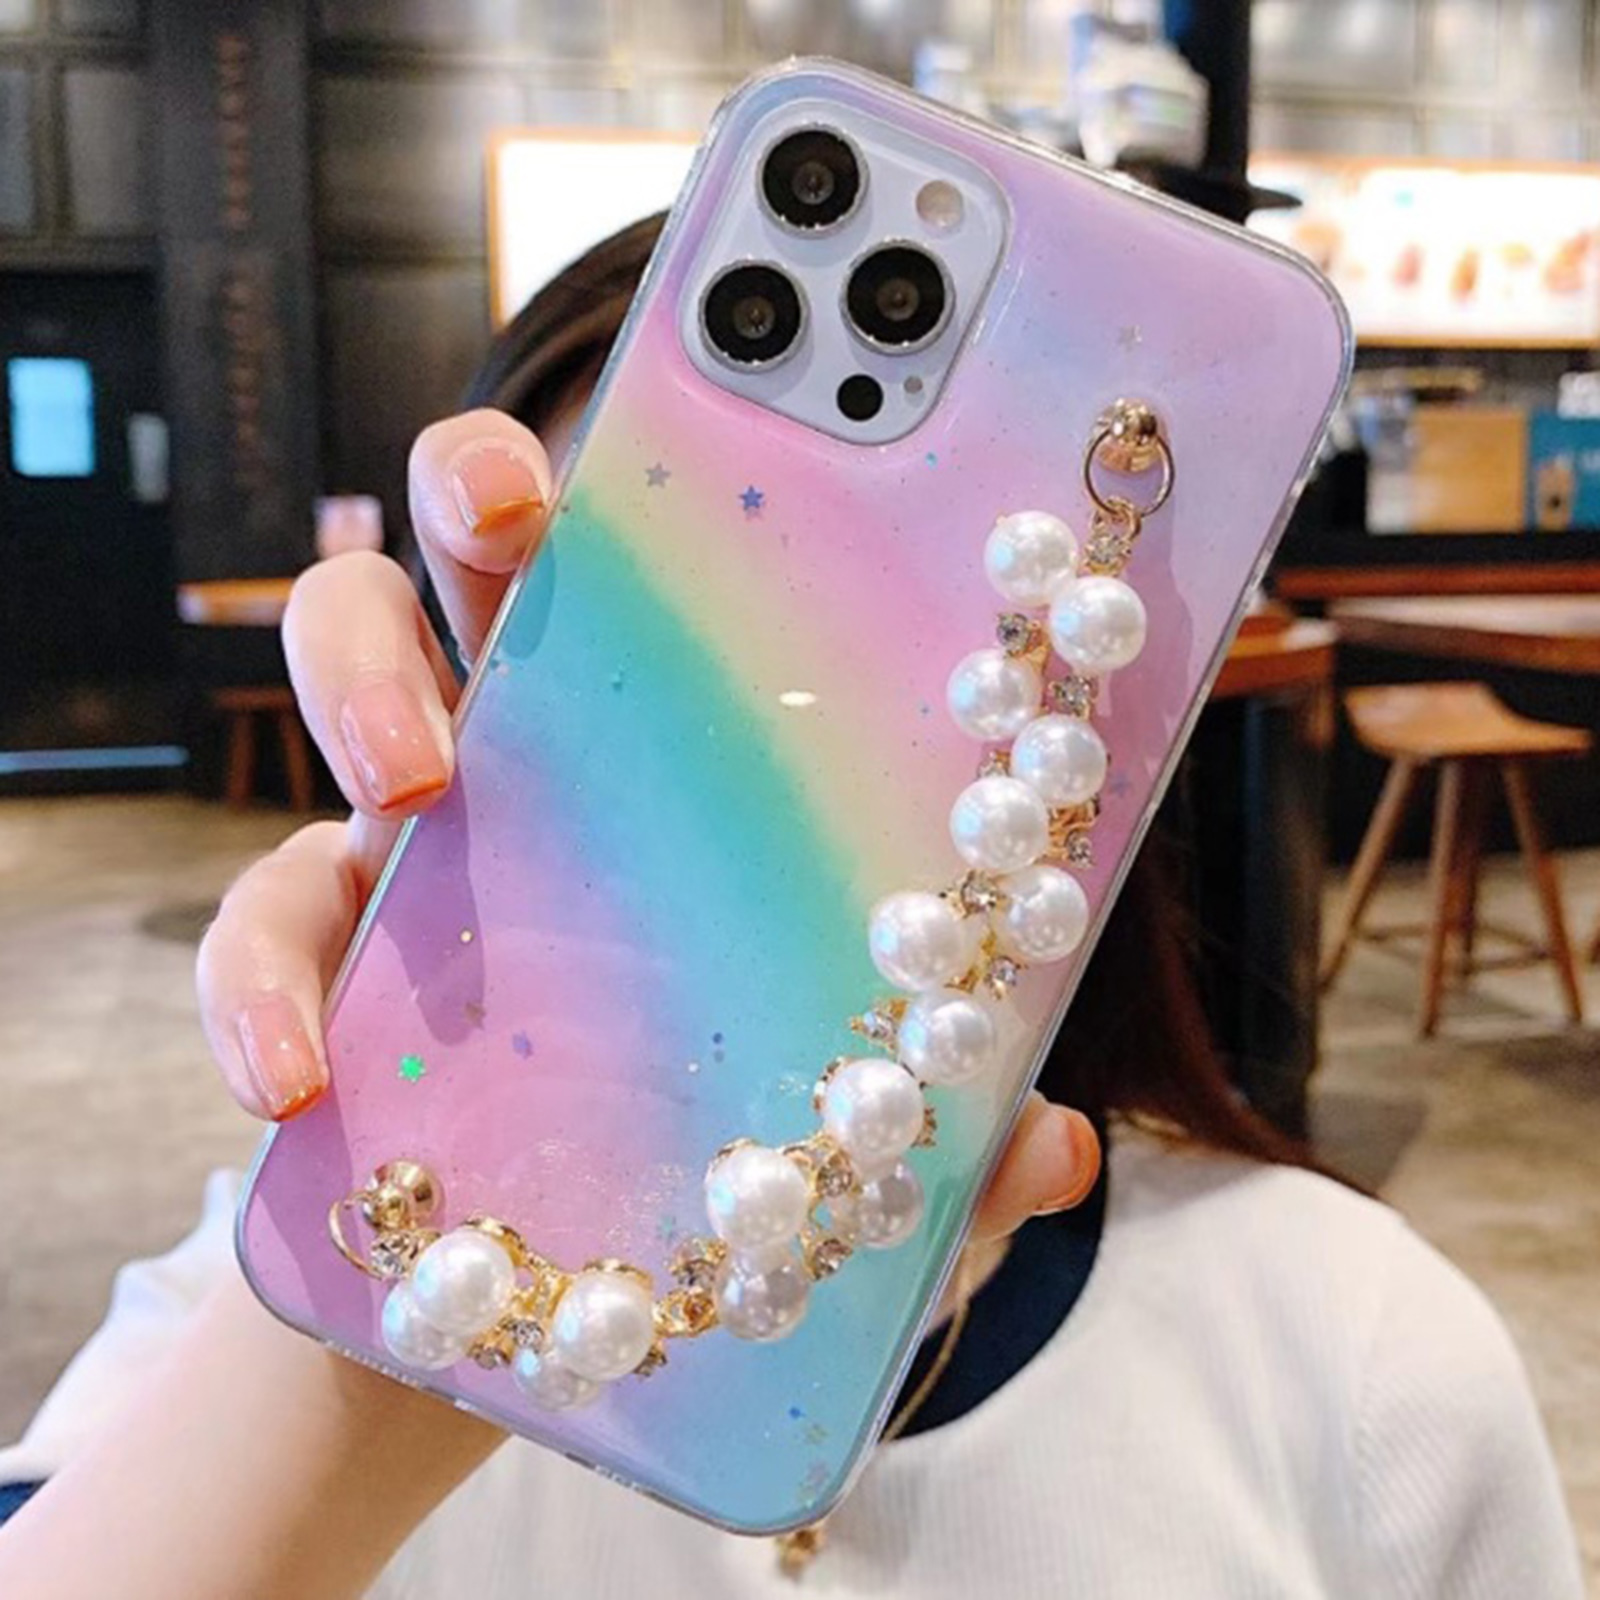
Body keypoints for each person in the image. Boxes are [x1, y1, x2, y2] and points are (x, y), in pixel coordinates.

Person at [0, 219, 1582, 1600]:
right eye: (617, 665)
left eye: (855, 664)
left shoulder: (1351, 1356)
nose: (737, 798)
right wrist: (373, 1365)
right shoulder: (296, 1281)